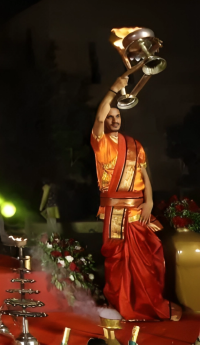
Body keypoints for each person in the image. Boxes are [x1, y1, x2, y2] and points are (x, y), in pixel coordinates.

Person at [90, 75, 181, 321]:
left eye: (117, 116)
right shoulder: (100, 143)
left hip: (139, 211)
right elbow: (98, 116)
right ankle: (122, 306)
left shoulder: (135, 145)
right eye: (110, 116)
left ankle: (149, 305)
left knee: (150, 258)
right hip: (115, 214)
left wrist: (149, 202)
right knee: (119, 262)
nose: (114, 120)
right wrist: (113, 90)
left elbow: (144, 175)